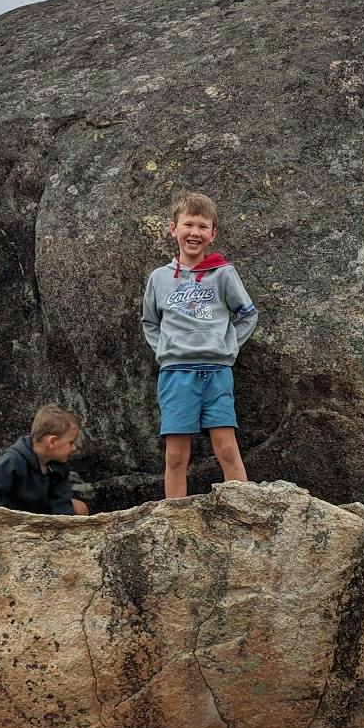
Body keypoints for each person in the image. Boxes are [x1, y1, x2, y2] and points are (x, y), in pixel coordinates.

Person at [140, 191, 259, 499]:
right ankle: (174, 518)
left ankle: (244, 508)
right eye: (188, 224)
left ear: (213, 234)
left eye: (203, 227)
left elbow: (247, 314)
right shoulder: (159, 278)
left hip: (217, 372)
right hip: (176, 375)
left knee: (226, 448)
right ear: (173, 229)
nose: (195, 233)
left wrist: (228, 345)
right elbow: (150, 322)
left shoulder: (223, 273)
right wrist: (164, 350)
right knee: (176, 455)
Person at [0, 404, 90, 515]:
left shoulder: (58, 464)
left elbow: (61, 501)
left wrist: (61, 526)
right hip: (13, 516)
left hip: (40, 512)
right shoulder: (13, 460)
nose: (74, 448)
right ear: (52, 442)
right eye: (71, 442)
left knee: (80, 508)